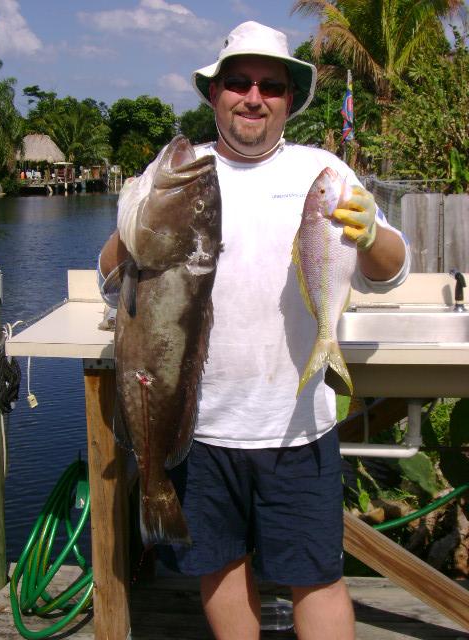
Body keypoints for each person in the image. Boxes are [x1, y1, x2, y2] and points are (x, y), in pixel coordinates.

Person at [98, 21, 410, 640]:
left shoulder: (323, 171)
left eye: (270, 85)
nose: (253, 96)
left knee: (317, 575)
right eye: (237, 82)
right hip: (198, 424)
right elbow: (113, 278)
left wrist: (373, 235)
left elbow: (392, 271)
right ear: (214, 94)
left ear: (289, 100)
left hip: (296, 423)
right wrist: (133, 234)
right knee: (218, 568)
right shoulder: (177, 174)